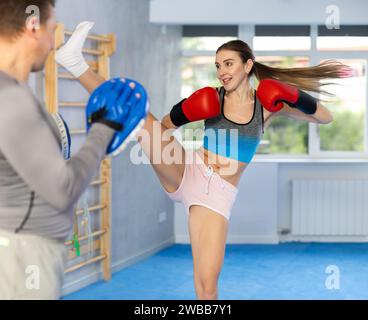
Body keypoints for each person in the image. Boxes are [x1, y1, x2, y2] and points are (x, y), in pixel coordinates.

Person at [56, 22, 350, 300]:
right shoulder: (213, 99)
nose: (222, 71)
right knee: (139, 116)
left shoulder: (268, 105)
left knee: (206, 287)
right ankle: (75, 63)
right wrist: (170, 120)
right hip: (187, 168)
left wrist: (294, 95)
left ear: (248, 65)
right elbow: (166, 126)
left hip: (216, 196)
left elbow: (326, 117)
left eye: (229, 63)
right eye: (218, 65)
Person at [0, 1, 147, 300]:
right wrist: (104, 131)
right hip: (22, 254)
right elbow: (63, 189)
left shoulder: (11, 91)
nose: (53, 40)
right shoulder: (10, 98)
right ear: (32, 26)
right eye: (52, 27)